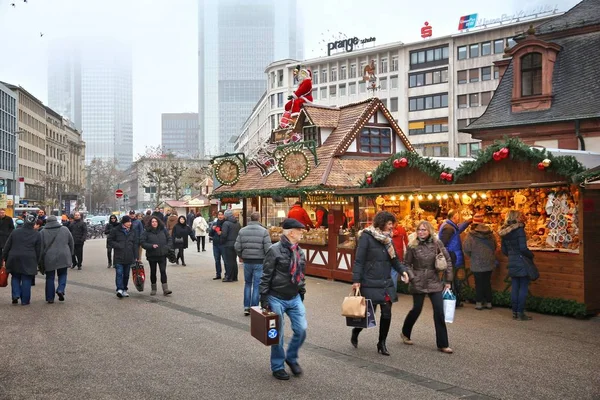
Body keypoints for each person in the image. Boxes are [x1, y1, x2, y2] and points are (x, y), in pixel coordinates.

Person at [351, 211, 411, 356]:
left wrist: (403, 271)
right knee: (367, 315)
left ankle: (382, 343)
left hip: (385, 282)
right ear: (382, 223)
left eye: (393, 224)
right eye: (389, 224)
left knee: (387, 313)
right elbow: (359, 260)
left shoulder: (387, 239)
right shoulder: (367, 236)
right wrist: (356, 281)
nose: (392, 227)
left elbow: (394, 259)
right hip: (370, 281)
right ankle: (356, 331)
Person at [259, 218, 307, 381]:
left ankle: (291, 358)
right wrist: (264, 298)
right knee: (277, 334)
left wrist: (302, 290)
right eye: (299, 230)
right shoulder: (274, 250)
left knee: (301, 330)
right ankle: (278, 366)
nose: (302, 233)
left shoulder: (300, 251)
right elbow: (266, 276)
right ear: (291, 233)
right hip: (276, 297)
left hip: (294, 297)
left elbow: (301, 274)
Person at [401, 220, 454, 354]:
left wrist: (448, 280)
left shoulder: (437, 243)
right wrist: (412, 277)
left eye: (424, 230)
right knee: (416, 309)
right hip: (418, 280)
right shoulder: (412, 245)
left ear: (430, 231)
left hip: (434, 280)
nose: (421, 232)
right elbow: (406, 264)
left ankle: (443, 344)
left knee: (439, 311)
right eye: (419, 230)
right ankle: (405, 332)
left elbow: (447, 260)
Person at [499, 210, 534, 321]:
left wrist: (511, 256)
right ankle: (520, 312)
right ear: (516, 217)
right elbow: (523, 248)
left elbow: (504, 250)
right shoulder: (519, 230)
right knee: (523, 286)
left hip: (512, 261)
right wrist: (531, 255)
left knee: (515, 286)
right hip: (521, 260)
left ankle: (514, 312)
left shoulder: (504, 232)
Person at [235, 211, 272, 316]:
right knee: (257, 285)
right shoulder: (264, 231)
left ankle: (246, 307)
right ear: (259, 219)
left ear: (250, 219)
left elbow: (237, 246)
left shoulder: (242, 231)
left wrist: (241, 255)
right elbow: (268, 248)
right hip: (259, 261)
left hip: (247, 261)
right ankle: (254, 308)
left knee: (247, 283)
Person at [2, 214, 41, 305]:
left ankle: (15, 295)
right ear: (33, 223)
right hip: (29, 258)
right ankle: (25, 300)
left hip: (14, 257)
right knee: (26, 279)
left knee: (15, 276)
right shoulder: (36, 234)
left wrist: (4, 257)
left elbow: (7, 246)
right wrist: (37, 261)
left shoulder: (15, 232)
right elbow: (38, 249)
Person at [439, 209, 472, 306]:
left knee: (451, 278)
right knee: (450, 279)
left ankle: (452, 300)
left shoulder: (450, 226)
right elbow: (442, 243)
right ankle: (449, 300)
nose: (459, 217)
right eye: (458, 216)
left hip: (452, 255)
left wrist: (467, 222)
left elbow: (458, 230)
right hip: (451, 256)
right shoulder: (448, 228)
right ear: (454, 217)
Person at [463, 214, 497, 310]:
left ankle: (479, 302)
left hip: (476, 261)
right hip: (489, 261)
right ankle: (489, 302)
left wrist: (472, 256)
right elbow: (494, 246)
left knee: (478, 282)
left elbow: (466, 248)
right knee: (487, 281)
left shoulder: (470, 235)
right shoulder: (490, 234)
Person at [39, 216, 74, 304]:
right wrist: (70, 253)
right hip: (63, 255)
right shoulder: (65, 229)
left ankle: (50, 298)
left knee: (50, 277)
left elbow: (40, 247)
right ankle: (60, 289)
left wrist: (40, 260)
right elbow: (71, 242)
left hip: (49, 257)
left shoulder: (42, 232)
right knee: (63, 274)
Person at [108, 215, 139, 298]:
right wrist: (118, 245)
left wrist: (136, 256)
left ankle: (125, 289)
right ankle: (120, 289)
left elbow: (135, 244)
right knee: (119, 273)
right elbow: (110, 240)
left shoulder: (133, 231)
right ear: (123, 222)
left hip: (129, 256)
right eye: (128, 222)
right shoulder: (116, 230)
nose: (130, 223)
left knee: (126, 274)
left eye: (130, 222)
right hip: (119, 255)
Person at [140, 216, 172, 296]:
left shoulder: (163, 230)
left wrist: (167, 247)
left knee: (163, 271)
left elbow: (169, 239)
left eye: (156, 221)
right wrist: (151, 246)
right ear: (150, 223)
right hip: (152, 255)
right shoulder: (146, 231)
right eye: (153, 222)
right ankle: (153, 288)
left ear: (158, 222)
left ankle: (165, 289)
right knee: (153, 272)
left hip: (162, 254)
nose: (154, 223)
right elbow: (142, 242)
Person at [220, 209, 241, 282]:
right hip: (236, 243)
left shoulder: (226, 223)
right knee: (234, 260)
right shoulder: (237, 223)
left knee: (229, 261)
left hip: (228, 244)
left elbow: (224, 235)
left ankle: (229, 277)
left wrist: (222, 241)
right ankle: (235, 276)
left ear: (226, 216)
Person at [390, 221, 409, 291]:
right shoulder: (402, 229)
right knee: (394, 274)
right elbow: (406, 243)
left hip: (387, 254)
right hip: (398, 255)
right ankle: (392, 293)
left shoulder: (385, 230)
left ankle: (386, 293)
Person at [208, 211, 225, 279]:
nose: (220, 216)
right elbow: (210, 234)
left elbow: (223, 233)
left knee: (225, 260)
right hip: (215, 244)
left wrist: (219, 231)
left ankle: (227, 274)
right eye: (219, 215)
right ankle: (218, 274)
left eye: (221, 215)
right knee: (217, 260)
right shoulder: (215, 223)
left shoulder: (225, 223)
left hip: (223, 244)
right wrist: (212, 229)